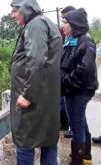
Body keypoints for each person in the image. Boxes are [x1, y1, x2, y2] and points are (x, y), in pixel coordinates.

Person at [10, 0, 62, 164]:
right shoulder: (45, 22)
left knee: (25, 141)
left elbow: (37, 60)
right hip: (46, 95)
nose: (13, 15)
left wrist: (27, 95)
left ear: (25, 8)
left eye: (15, 11)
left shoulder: (35, 25)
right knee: (48, 140)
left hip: (34, 99)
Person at [61, 8, 98, 164]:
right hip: (72, 89)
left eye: (65, 22)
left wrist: (65, 81)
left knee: (77, 127)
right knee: (80, 122)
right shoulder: (72, 38)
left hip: (78, 90)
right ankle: (85, 156)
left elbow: (85, 70)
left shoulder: (86, 41)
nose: (62, 25)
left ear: (74, 24)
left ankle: (78, 161)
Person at [59, 6, 76, 139]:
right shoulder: (66, 35)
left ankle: (83, 154)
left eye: (65, 20)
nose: (63, 24)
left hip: (73, 80)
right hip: (65, 78)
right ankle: (66, 125)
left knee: (76, 113)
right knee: (64, 104)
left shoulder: (80, 38)